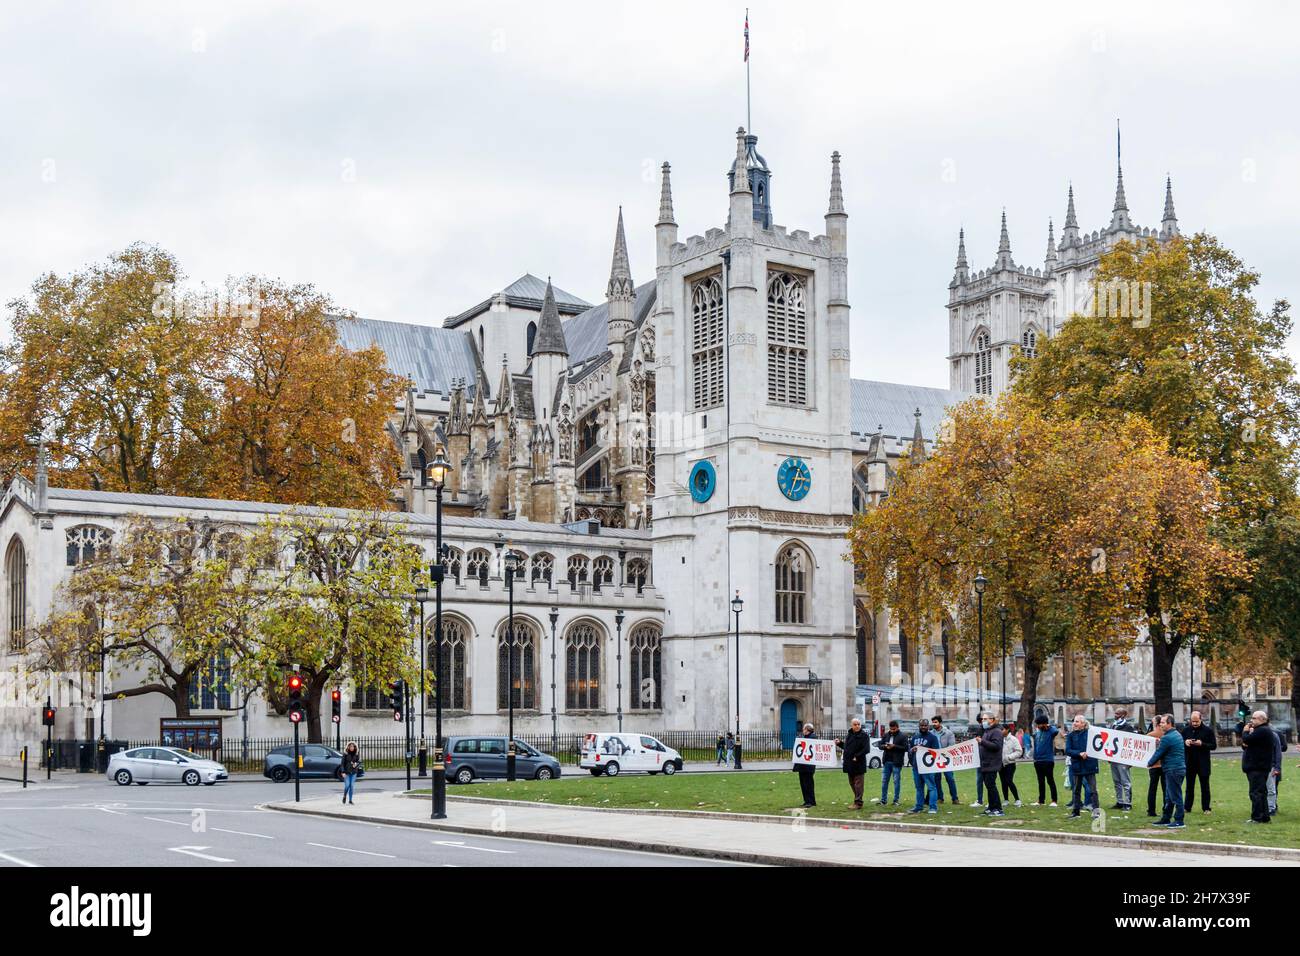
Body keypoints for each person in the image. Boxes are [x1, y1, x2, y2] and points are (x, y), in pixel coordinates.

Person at [1146, 715, 1186, 829]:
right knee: (1169, 796)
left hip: (1173, 769)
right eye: (1160, 723)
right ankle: (1166, 818)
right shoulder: (1176, 734)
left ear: (1169, 724)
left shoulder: (1167, 738)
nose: (1161, 724)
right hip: (1176, 769)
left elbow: (1159, 753)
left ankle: (1179, 820)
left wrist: (1148, 763)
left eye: (1163, 722)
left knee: (1175, 795)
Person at [1238, 710, 1277, 824]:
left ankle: (1257, 817)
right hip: (1260, 766)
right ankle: (1265, 816)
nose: (1251, 720)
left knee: (1255, 793)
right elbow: (1248, 745)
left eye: (1254, 718)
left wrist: (1245, 732)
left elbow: (1246, 739)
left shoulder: (1262, 730)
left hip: (1257, 767)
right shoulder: (1262, 731)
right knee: (1261, 792)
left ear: (1262, 719)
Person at [1064, 715, 1099, 818]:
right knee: (1076, 790)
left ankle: (1096, 812)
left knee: (1093, 790)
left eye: (1077, 722)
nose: (1075, 723)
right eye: (1074, 721)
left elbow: (1097, 746)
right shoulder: (1070, 735)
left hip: (1090, 765)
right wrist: (1079, 754)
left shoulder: (1091, 734)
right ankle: (1076, 812)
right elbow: (1068, 750)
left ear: (1083, 724)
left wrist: (1087, 754)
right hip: (1077, 766)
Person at [1181, 710, 1217, 813]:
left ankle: (1206, 808)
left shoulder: (1208, 731)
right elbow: (1179, 744)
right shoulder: (1185, 730)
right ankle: (1187, 807)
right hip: (1189, 762)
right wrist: (1185, 742)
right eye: (1193, 721)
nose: (1194, 724)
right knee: (1189, 787)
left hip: (1203, 763)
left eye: (1196, 721)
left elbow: (1213, 746)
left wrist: (1202, 744)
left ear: (1201, 719)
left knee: (1205, 787)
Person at [836, 717, 871, 809]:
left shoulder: (864, 735)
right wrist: (840, 743)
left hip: (859, 763)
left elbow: (866, 749)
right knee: (852, 783)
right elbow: (847, 748)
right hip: (849, 763)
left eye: (858, 724)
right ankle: (858, 799)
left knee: (858, 784)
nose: (857, 726)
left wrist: (857, 756)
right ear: (851, 725)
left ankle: (858, 803)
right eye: (855, 724)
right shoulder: (849, 735)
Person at [908, 718, 940, 814]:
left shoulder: (932, 737)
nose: (923, 727)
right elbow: (909, 750)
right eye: (921, 725)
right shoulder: (915, 737)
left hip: (928, 768)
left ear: (928, 726)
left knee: (931, 787)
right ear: (919, 726)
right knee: (919, 788)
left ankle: (933, 807)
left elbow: (936, 752)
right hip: (916, 767)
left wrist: (924, 749)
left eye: (925, 725)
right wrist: (912, 750)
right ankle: (919, 806)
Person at [976, 712, 1005, 816]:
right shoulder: (987, 732)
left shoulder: (996, 731)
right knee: (988, 786)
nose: (983, 721)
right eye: (982, 719)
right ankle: (991, 807)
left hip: (992, 763)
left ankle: (998, 808)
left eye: (985, 719)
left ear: (992, 720)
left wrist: (982, 742)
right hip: (985, 763)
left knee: (991, 786)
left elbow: (996, 746)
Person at [1107, 708, 1135, 811]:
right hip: (1113, 757)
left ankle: (1128, 803)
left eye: (1117, 713)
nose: (1115, 715)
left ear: (1123, 715)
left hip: (1123, 758)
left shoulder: (1128, 727)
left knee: (1125, 781)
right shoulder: (1113, 725)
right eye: (1115, 713)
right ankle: (1119, 801)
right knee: (1116, 781)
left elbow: (1131, 743)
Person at [877, 720, 907, 805]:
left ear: (897, 727)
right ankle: (883, 800)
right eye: (891, 729)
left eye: (894, 729)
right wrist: (885, 746)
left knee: (896, 781)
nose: (892, 731)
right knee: (884, 781)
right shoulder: (886, 735)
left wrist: (894, 746)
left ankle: (896, 800)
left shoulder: (903, 736)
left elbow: (905, 748)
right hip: (887, 761)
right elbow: (880, 745)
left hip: (896, 762)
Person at [930, 715, 959, 804]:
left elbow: (952, 746)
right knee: (936, 779)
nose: (934, 724)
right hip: (935, 759)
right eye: (933, 722)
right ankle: (940, 798)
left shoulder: (948, 733)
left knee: (950, 778)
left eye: (936, 722)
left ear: (940, 722)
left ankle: (955, 798)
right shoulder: (931, 733)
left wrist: (944, 753)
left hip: (946, 759)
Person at [1031, 715, 1059, 806]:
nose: (1037, 726)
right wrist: (1035, 758)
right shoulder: (1038, 733)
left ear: (1044, 724)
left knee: (1050, 781)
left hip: (1048, 760)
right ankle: (1041, 800)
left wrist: (1049, 726)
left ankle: (1054, 800)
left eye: (1039, 724)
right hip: (1038, 761)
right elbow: (1036, 746)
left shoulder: (1050, 732)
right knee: (1041, 782)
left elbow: (1056, 730)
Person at [793, 723, 818, 808]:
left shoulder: (813, 737)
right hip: (802, 766)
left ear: (807, 730)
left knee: (808, 784)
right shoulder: (805, 738)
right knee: (803, 784)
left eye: (804, 729)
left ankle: (811, 801)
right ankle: (806, 800)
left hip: (808, 766)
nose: (803, 731)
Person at [1146, 716, 1166, 817]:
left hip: (1153, 765)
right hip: (1164, 765)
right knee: (1165, 788)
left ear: (1156, 723)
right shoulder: (1166, 734)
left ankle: (1151, 810)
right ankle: (1166, 808)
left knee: (1152, 788)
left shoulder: (1150, 735)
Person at [1000, 721, 1022, 806]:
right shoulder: (1000, 739)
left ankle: (1017, 799)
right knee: (1003, 782)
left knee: (1009, 781)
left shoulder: (1013, 739)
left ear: (1007, 730)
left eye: (1002, 729)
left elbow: (1019, 751)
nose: (1001, 731)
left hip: (1010, 764)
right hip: (1000, 764)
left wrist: (1009, 757)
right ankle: (1006, 800)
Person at [1268, 726, 1286, 816]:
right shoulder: (1278, 732)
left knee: (1271, 786)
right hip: (1274, 762)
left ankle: (1271, 807)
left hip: (1273, 762)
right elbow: (1284, 747)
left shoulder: (1276, 733)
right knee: (1274, 786)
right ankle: (1273, 805)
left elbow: (1283, 748)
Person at [340, 741, 361, 805]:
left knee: (351, 786)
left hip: (354, 772)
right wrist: (343, 772)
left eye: (353, 746)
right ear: (348, 747)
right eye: (350, 746)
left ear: (355, 747)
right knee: (347, 785)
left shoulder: (356, 754)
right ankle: (344, 796)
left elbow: (359, 762)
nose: (352, 747)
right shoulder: (345, 754)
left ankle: (350, 800)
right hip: (347, 772)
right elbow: (342, 764)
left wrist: (356, 764)